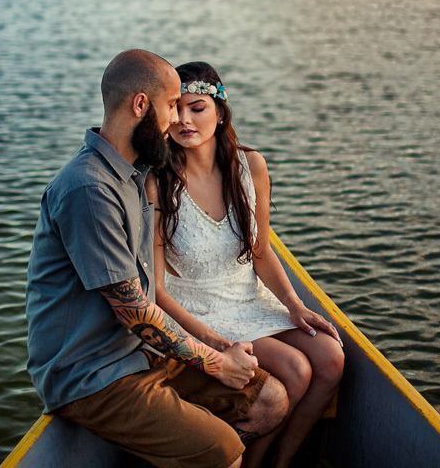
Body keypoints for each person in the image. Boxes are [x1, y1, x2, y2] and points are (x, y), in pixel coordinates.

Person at [25, 49, 288, 468]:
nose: (176, 121)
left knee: (270, 400)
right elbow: (135, 312)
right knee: (224, 451)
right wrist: (218, 364)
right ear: (141, 105)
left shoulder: (134, 173)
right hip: (94, 374)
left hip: (140, 352)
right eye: (170, 107)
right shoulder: (89, 190)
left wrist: (218, 344)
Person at [149, 62, 345, 468]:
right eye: (177, 109)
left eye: (197, 107)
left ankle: (280, 461)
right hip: (197, 311)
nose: (185, 119)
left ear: (220, 112)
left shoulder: (250, 165)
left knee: (330, 358)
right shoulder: (159, 182)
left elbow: (261, 250)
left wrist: (293, 304)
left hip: (249, 299)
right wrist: (215, 344)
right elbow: (157, 289)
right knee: (296, 369)